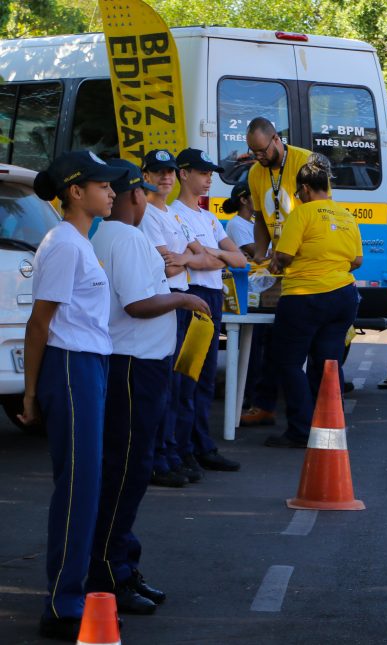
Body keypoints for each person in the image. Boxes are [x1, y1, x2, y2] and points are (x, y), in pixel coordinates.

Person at [87, 159, 211, 615]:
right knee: (127, 472)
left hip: (128, 364)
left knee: (125, 471)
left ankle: (119, 566)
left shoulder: (104, 236)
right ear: (135, 196)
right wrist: (185, 297)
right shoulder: (129, 238)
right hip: (135, 367)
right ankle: (109, 573)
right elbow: (139, 303)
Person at [21, 151, 125, 641]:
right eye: (103, 185)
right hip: (69, 365)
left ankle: (72, 594)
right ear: (76, 192)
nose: (112, 192)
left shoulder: (80, 242)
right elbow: (40, 324)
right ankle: (63, 604)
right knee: (79, 487)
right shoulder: (64, 243)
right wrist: (29, 395)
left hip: (88, 364)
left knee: (87, 482)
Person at [264, 154, 362, 448]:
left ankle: (300, 429)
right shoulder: (345, 215)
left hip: (304, 298)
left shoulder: (302, 214)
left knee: (289, 362)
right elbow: (356, 260)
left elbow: (284, 256)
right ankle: (330, 427)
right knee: (328, 363)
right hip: (343, 296)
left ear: (305, 189)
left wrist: (276, 262)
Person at [170, 148, 247, 471]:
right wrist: (212, 256)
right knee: (186, 376)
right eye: (202, 173)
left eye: (210, 174)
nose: (207, 181)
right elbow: (200, 258)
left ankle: (201, 444)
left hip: (213, 296)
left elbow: (240, 260)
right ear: (183, 174)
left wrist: (207, 255)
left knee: (203, 377)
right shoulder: (175, 214)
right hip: (193, 295)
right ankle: (183, 447)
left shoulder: (209, 217)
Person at [138, 149, 207, 488]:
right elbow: (164, 264)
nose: (165, 177)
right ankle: (158, 458)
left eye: (169, 171)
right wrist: (185, 259)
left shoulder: (173, 215)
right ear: (145, 175)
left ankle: (170, 452)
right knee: (164, 385)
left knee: (179, 384)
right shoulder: (149, 214)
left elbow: (201, 255)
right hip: (168, 299)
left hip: (181, 298)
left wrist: (184, 259)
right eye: (157, 172)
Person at [240, 117, 314, 427]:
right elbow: (260, 217)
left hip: (304, 266)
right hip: (275, 266)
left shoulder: (307, 162)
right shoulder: (255, 173)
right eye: (251, 151)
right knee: (267, 335)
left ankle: (305, 417)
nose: (257, 156)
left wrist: (288, 254)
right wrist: (259, 253)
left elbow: (316, 213)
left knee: (292, 343)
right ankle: (264, 404)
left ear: (276, 139)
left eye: (260, 150)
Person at [223, 181, 256, 258]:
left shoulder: (254, 222)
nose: (259, 198)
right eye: (255, 195)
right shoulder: (236, 224)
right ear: (244, 200)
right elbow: (256, 253)